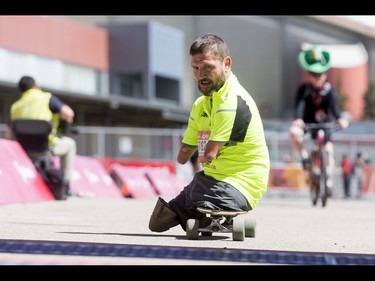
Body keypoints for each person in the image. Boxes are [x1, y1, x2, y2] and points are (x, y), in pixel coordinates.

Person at [149, 34, 270, 233]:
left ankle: (202, 215)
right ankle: (205, 218)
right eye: (195, 69)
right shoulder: (201, 105)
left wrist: (199, 149)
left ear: (226, 64)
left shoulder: (232, 100)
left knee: (196, 186)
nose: (200, 75)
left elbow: (209, 154)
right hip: (212, 181)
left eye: (207, 67)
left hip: (242, 186)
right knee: (158, 222)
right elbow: (182, 157)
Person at [289, 45, 349, 195]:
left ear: (324, 74)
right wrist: (298, 120)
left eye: (320, 74)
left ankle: (327, 182)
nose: (317, 77)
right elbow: (299, 107)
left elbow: (336, 110)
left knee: (328, 150)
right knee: (293, 132)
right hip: (308, 124)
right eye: (313, 74)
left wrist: (341, 120)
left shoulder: (330, 90)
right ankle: (304, 157)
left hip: (326, 125)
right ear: (309, 75)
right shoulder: (304, 89)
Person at [5, 76, 76, 196]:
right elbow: (69, 113)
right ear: (36, 86)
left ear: (21, 91)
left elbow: (9, 134)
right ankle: (67, 188)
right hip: (45, 148)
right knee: (70, 144)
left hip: (23, 150)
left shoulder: (15, 106)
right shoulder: (47, 98)